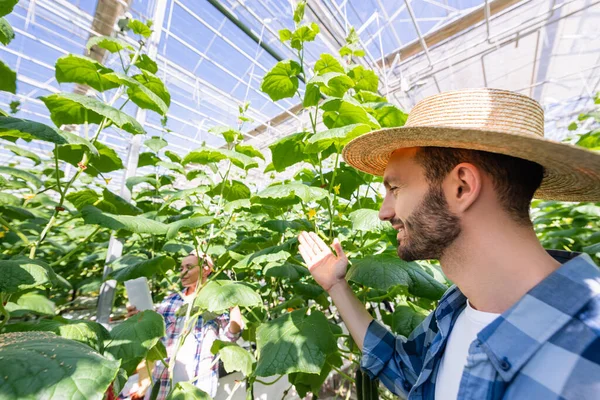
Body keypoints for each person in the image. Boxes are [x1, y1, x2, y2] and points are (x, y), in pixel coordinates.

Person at [298, 88, 600, 400]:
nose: (384, 212)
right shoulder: (457, 307)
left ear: (461, 187)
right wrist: (337, 286)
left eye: (395, 187)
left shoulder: (591, 355)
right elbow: (406, 372)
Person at [126, 250, 243, 400]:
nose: (183, 272)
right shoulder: (171, 299)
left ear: (206, 269)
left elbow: (232, 334)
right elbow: (155, 332)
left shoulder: (216, 300)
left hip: (199, 380)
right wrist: (139, 318)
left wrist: (233, 301)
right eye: (181, 268)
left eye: (189, 267)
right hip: (164, 378)